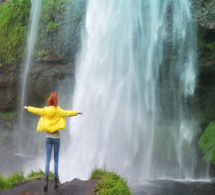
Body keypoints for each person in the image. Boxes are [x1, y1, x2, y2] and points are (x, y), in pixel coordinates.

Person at [24, 91, 82, 191]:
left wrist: (27, 108)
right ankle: (55, 182)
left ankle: (46, 182)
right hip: (56, 139)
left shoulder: (45, 110)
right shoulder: (58, 111)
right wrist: (77, 112)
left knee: (47, 159)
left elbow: (36, 110)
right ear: (56, 102)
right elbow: (68, 113)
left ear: (49, 102)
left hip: (48, 138)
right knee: (55, 160)